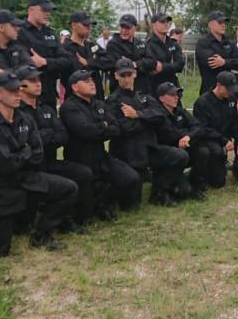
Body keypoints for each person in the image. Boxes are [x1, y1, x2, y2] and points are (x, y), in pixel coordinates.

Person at [0, 70, 75, 255]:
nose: (17, 94)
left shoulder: (25, 119)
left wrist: (22, 154)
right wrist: (25, 151)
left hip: (26, 178)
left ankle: (41, 234)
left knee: (68, 188)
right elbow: (6, 164)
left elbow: (38, 154)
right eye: (12, 91)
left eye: (18, 90)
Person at [15, 65, 95, 233]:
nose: (38, 83)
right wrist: (46, 136)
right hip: (28, 167)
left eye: (38, 79)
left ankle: (72, 217)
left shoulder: (47, 109)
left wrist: (40, 136)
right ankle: (47, 223)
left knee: (83, 173)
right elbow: (23, 142)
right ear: (20, 85)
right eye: (32, 80)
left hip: (49, 161)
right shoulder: (16, 112)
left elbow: (63, 136)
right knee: (62, 185)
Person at [106, 58, 189, 206]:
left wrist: (138, 115)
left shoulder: (143, 96)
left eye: (129, 75)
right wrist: (148, 122)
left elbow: (160, 115)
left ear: (135, 74)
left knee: (180, 156)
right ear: (116, 76)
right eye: (123, 75)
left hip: (149, 147)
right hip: (128, 152)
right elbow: (124, 128)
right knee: (131, 205)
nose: (126, 79)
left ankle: (159, 192)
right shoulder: (113, 101)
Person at [60, 70, 141, 219]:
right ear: (74, 87)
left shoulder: (98, 104)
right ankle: (95, 206)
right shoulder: (69, 107)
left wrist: (99, 127)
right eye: (85, 81)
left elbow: (116, 128)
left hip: (99, 154)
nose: (91, 83)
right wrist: (104, 125)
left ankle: (109, 203)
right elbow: (84, 131)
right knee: (87, 197)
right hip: (80, 156)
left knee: (130, 178)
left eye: (91, 80)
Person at [17, 0, 73, 108]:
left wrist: (45, 62)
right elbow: (21, 63)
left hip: (49, 92)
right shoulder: (19, 32)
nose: (47, 13)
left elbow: (68, 60)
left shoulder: (50, 33)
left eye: (49, 10)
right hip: (27, 94)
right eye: (43, 10)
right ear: (31, 9)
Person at [154, 81, 207, 199]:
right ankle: (162, 191)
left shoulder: (180, 111)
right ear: (162, 98)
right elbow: (171, 134)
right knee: (182, 192)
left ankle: (196, 184)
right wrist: (186, 133)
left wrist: (188, 136)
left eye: (177, 95)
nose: (176, 97)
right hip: (165, 152)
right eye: (172, 95)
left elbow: (198, 127)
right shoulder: (158, 114)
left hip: (182, 148)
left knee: (202, 151)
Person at [191, 71, 238, 189]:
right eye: (228, 89)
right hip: (207, 139)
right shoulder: (202, 103)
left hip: (222, 140)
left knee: (219, 183)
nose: (230, 92)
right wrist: (224, 141)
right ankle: (197, 174)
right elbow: (204, 129)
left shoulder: (231, 99)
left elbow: (234, 122)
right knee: (216, 152)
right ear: (218, 85)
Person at [96, 14, 154, 95]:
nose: (124, 30)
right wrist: (142, 63)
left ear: (135, 28)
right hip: (120, 91)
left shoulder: (141, 43)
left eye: (128, 28)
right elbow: (120, 65)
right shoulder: (113, 44)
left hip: (142, 89)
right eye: (122, 27)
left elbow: (152, 62)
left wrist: (135, 64)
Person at [195, 11, 238, 96]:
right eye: (220, 22)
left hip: (229, 91)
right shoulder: (203, 43)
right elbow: (212, 62)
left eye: (224, 22)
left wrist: (224, 62)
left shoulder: (230, 43)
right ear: (211, 25)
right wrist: (230, 60)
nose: (223, 25)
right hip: (209, 90)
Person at [64, 11, 104, 98]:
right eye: (85, 25)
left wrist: (88, 62)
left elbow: (110, 60)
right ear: (74, 25)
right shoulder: (66, 47)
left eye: (90, 25)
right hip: (76, 100)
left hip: (97, 98)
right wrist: (96, 62)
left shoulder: (92, 45)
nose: (89, 28)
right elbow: (76, 68)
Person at [146, 12, 185, 92]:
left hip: (173, 86)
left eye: (167, 22)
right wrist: (171, 65)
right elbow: (152, 66)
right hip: (155, 88)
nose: (166, 24)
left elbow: (180, 65)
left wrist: (162, 67)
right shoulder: (148, 45)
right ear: (154, 25)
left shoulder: (174, 44)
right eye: (162, 22)